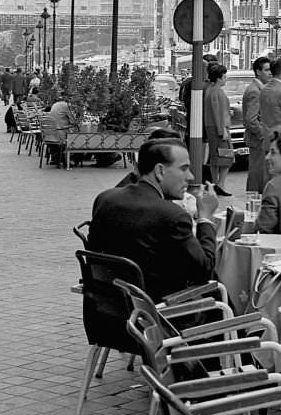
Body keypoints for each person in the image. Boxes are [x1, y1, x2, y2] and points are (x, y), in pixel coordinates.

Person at [87, 136, 219, 302]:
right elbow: (204, 271)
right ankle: (243, 327)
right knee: (218, 289)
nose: (190, 176)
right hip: (160, 316)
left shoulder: (105, 199)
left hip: (107, 311)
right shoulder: (172, 215)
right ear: (160, 171)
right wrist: (205, 218)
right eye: (184, 169)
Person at [242, 55, 272, 192]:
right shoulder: (255, 91)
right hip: (258, 140)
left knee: (260, 172)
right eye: (267, 70)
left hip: (258, 139)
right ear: (258, 72)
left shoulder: (260, 89)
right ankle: (253, 201)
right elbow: (251, 120)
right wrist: (263, 135)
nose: (270, 73)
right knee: (257, 174)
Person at [203, 64, 234, 196]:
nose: (226, 79)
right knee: (227, 157)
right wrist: (222, 130)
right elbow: (217, 112)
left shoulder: (210, 90)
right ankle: (219, 184)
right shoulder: (216, 91)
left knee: (216, 157)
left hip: (212, 127)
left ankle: (215, 183)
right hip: (219, 128)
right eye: (224, 76)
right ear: (219, 78)